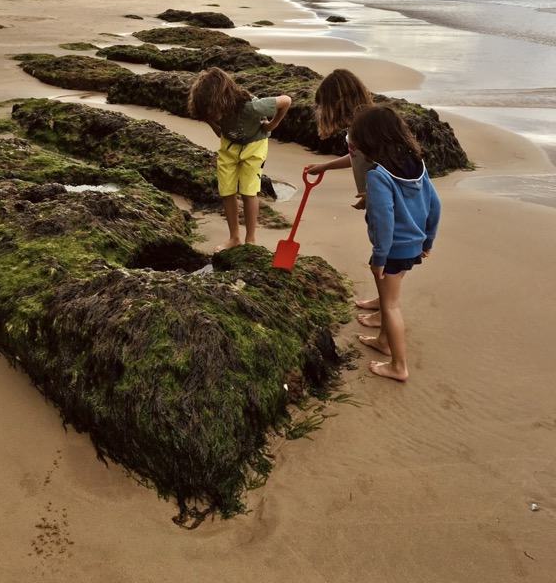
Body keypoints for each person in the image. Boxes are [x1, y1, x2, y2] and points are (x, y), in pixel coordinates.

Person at [349, 104, 441, 381]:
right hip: (414, 245)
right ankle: (383, 340)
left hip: (393, 250)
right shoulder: (417, 165)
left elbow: (384, 220)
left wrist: (379, 257)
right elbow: (435, 204)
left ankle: (398, 365)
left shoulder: (377, 175)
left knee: (390, 306)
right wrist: (429, 239)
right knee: (390, 298)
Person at [188, 67, 291, 253]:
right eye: (208, 111)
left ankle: (250, 240)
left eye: (213, 109)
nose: (212, 113)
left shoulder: (252, 106)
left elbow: (286, 101)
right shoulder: (208, 110)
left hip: (254, 146)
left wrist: (271, 125)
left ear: (223, 98)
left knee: (248, 191)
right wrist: (211, 120)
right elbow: (219, 131)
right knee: (226, 191)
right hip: (229, 146)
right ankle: (234, 238)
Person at [305, 68, 373, 210]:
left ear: (338, 103)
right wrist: (325, 166)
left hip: (390, 200)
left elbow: (390, 165)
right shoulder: (356, 126)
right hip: (378, 198)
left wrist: (374, 194)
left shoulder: (366, 127)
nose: (321, 112)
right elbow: (358, 156)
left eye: (324, 106)